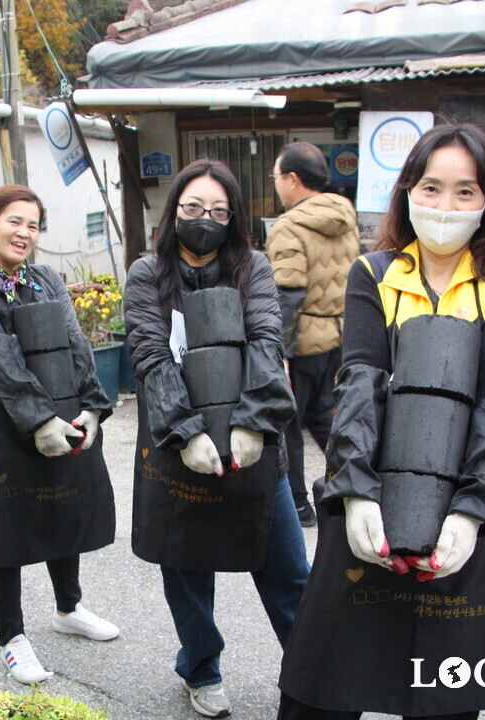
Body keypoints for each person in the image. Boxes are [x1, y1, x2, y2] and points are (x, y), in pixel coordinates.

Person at [277, 123, 485, 719]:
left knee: (445, 687)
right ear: (408, 189)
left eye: (466, 191)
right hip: (377, 497)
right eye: (432, 187)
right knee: (322, 681)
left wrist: (472, 509)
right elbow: (358, 386)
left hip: (464, 503)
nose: (445, 205)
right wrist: (356, 492)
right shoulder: (374, 273)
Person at [124, 158, 309, 718]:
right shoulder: (147, 273)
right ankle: (201, 669)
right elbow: (151, 353)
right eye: (194, 208)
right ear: (174, 209)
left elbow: (265, 337)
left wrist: (256, 420)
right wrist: (184, 432)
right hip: (177, 446)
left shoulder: (251, 265)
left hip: (253, 449)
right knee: (186, 570)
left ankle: (309, 670)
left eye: (219, 211)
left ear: (234, 218)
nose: (205, 219)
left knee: (287, 572)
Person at [0, 184, 118, 685]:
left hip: (59, 409)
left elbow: (76, 343)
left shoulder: (46, 280)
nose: (24, 233)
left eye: (33, 225)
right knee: (7, 526)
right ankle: (11, 637)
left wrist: (90, 407)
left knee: (62, 505)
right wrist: (39, 420)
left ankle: (68, 609)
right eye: (14, 221)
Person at [266, 142, 360, 527]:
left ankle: (299, 507)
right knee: (323, 415)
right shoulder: (344, 215)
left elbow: (288, 293)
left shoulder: (290, 225)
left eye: (276, 176)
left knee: (288, 425)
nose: (276, 185)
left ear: (292, 178)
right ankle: (354, 483)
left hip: (302, 341)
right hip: (337, 334)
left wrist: (279, 351)